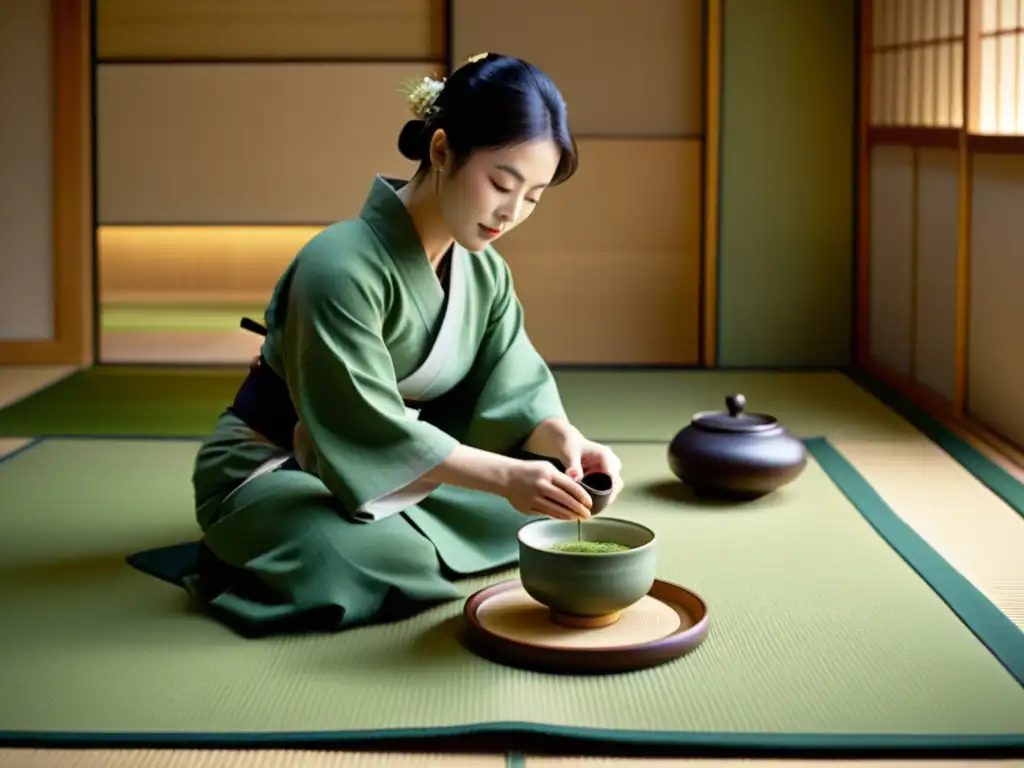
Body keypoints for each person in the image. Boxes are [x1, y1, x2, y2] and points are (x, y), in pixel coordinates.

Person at [184, 53, 625, 637]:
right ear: (441, 151)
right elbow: (365, 422)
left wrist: (567, 441)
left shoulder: (484, 272)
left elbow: (511, 386)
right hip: (277, 463)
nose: (511, 213)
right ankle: (243, 538)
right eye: (501, 183)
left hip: (384, 470)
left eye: (534, 197)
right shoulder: (337, 265)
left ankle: (380, 526)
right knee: (378, 563)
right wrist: (502, 479)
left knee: (543, 484)